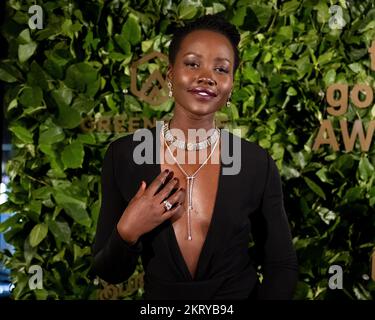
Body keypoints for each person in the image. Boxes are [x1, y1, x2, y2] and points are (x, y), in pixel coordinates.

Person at [92, 13, 298, 300]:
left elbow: (281, 264)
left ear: (231, 86)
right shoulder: (125, 156)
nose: (207, 77)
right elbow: (109, 272)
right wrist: (128, 230)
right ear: (170, 74)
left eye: (222, 69)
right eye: (192, 63)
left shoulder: (255, 163)